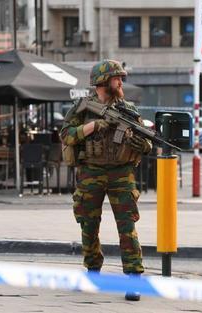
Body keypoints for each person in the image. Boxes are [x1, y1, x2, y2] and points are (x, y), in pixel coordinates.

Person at [60, 59, 151, 301]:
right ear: (102, 82)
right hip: (91, 173)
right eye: (116, 78)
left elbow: (147, 143)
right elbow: (66, 135)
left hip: (121, 174)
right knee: (89, 226)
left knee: (127, 228)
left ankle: (133, 279)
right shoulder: (82, 108)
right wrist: (93, 126)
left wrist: (142, 144)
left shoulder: (128, 110)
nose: (121, 82)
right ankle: (92, 273)